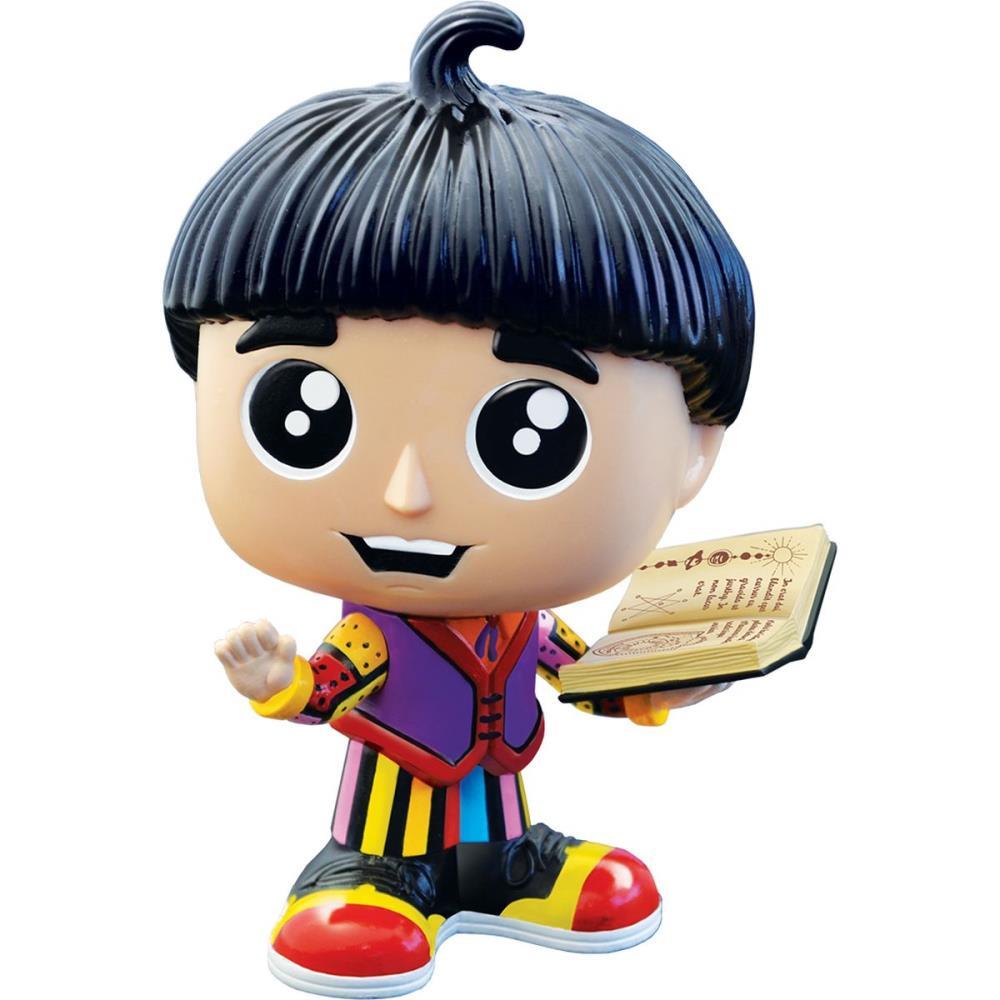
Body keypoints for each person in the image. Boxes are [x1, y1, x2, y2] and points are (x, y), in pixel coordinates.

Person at [164, 3, 754, 995]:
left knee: (529, 842)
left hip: (499, 820)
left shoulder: (528, 625)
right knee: (371, 880)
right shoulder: (373, 635)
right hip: (382, 830)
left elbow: (585, 675)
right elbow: (325, 689)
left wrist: (669, 683)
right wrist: (275, 682)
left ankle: (505, 868)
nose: (407, 494)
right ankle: (365, 878)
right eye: (302, 415)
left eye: (531, 434)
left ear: (695, 446)